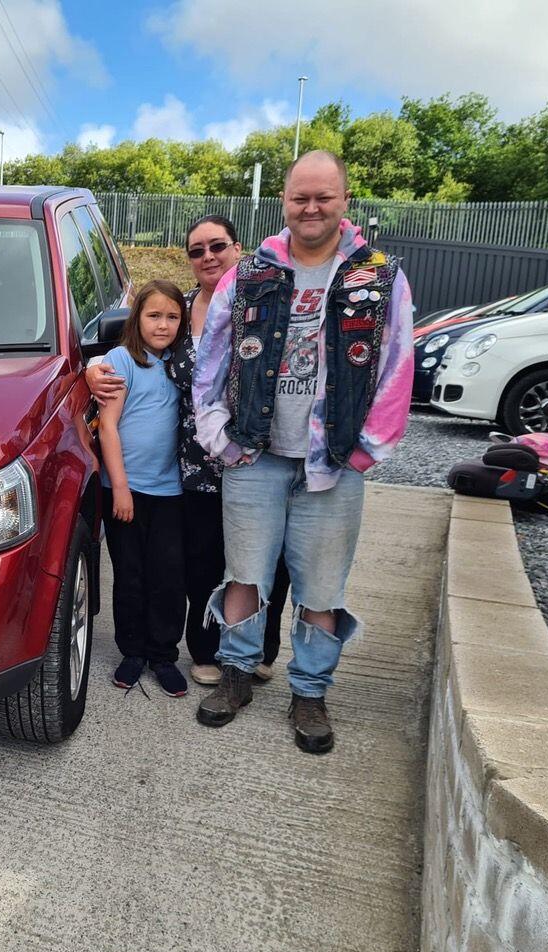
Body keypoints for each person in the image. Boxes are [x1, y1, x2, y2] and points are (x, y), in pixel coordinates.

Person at [192, 150, 414, 753]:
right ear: (284, 201)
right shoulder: (250, 275)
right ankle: (236, 675)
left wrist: (369, 450)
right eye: (299, 197)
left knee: (321, 587)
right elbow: (210, 358)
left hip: (334, 462)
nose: (310, 207)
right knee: (244, 573)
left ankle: (310, 691)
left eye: (323, 196)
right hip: (255, 454)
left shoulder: (378, 276)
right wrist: (216, 433)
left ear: (345, 198)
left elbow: (398, 366)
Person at [87, 215, 291, 687]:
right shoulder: (180, 310)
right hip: (192, 472)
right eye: (196, 250)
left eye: (217, 246)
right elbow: (129, 363)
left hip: (260, 462)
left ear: (238, 248)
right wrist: (91, 369)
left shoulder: (268, 299)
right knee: (190, 566)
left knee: (264, 560)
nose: (208, 257)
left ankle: (256, 649)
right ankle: (197, 650)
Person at [97, 279, 189, 697]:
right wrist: (120, 488)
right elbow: (109, 428)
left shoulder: (181, 363)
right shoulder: (122, 360)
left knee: (168, 576)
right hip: (125, 491)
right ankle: (132, 652)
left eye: (172, 316)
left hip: (169, 491)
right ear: (137, 318)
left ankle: (163, 655)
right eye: (154, 315)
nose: (163, 324)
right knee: (130, 575)